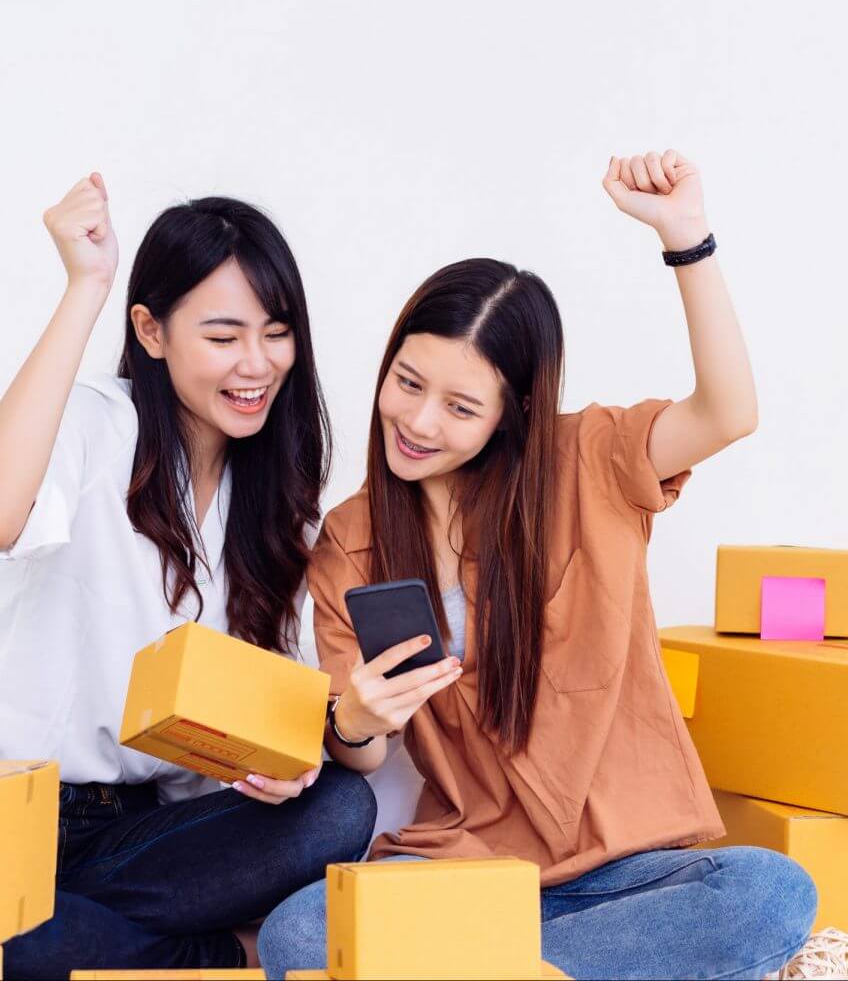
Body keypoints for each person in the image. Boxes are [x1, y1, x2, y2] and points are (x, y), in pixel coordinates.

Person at [257, 151, 816, 980]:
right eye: (406, 382)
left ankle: (488, 970)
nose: (415, 420)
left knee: (771, 894)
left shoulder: (589, 458)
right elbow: (363, 754)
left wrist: (686, 239)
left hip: (627, 866)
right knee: (298, 935)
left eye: (459, 406)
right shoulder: (350, 538)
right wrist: (357, 720)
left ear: (513, 411)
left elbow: (729, 410)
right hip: (463, 865)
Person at [0, 174, 376, 980]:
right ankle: (217, 958)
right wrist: (86, 287)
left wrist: (282, 763)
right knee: (15, 943)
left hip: (128, 835)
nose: (256, 363)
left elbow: (259, 717)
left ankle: (52, 934)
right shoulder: (94, 423)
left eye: (277, 333)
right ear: (151, 333)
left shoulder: (276, 512)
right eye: (223, 337)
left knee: (340, 807)